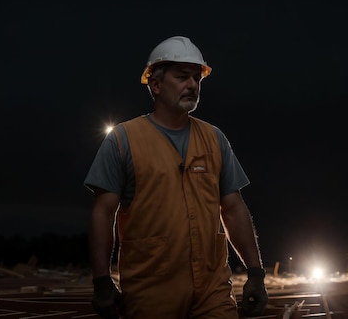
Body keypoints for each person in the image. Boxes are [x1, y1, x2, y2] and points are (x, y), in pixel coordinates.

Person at [84, 36, 268, 318]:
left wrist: (255, 272)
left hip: (212, 291)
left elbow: (233, 209)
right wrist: (101, 281)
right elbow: (103, 214)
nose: (193, 85)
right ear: (155, 85)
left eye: (197, 78)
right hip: (151, 292)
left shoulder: (214, 139)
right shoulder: (123, 140)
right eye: (183, 77)